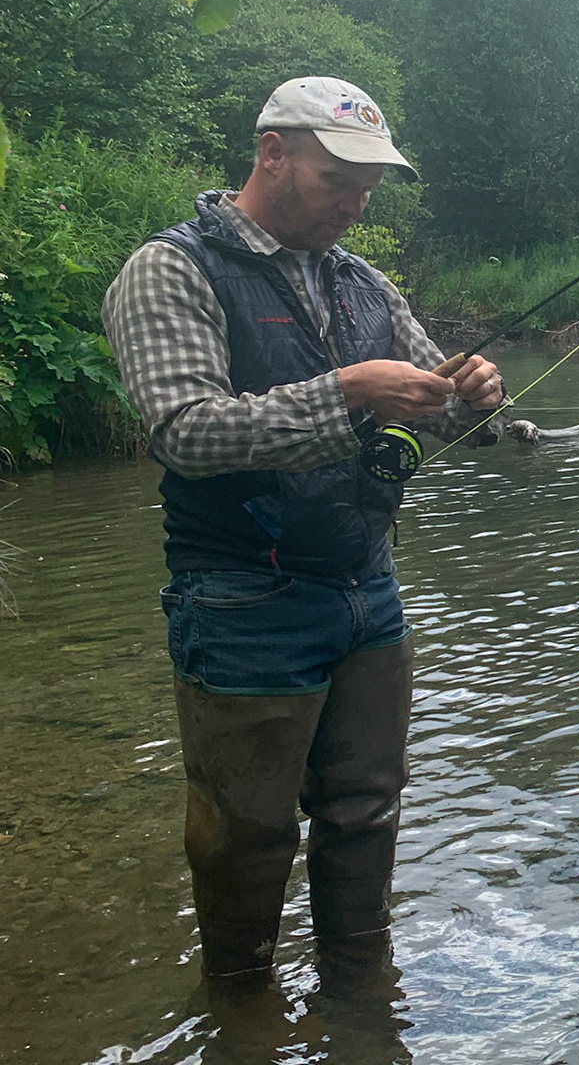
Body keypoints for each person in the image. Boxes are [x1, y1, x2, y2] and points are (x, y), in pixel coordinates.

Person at [100, 76, 505, 988]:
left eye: (369, 188)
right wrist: (349, 393)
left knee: (367, 807)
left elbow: (438, 410)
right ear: (272, 153)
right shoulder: (169, 270)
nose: (356, 205)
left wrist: (473, 397)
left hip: (369, 587)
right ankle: (238, 1015)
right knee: (246, 830)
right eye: (337, 180)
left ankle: (360, 999)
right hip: (242, 596)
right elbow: (184, 432)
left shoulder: (364, 282)